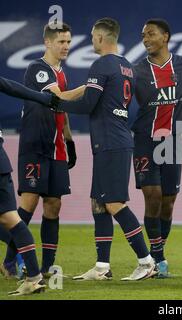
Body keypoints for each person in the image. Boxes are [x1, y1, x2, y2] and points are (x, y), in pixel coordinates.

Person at [51, 18, 157, 281]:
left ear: (100, 37)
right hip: (113, 140)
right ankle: (101, 267)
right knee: (99, 204)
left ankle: (146, 261)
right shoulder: (126, 67)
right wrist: (64, 97)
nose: (90, 40)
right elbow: (94, 94)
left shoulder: (100, 64)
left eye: (91, 36)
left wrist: (56, 104)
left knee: (113, 203)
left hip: (111, 142)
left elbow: (89, 103)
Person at [3, 22, 84, 278]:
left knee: (53, 205)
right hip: (35, 146)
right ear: (47, 42)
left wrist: (69, 142)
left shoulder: (62, 72)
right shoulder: (38, 69)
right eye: (61, 42)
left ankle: (48, 267)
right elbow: (58, 98)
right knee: (28, 202)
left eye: (69, 42)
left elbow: (62, 111)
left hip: (56, 148)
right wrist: (91, 87)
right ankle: (9, 262)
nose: (66, 47)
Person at [131, 19, 182, 277]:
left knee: (167, 202)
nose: (145, 39)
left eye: (151, 34)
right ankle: (158, 259)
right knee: (152, 197)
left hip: (173, 142)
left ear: (165, 36)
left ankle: (156, 255)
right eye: (143, 35)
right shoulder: (136, 71)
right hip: (145, 140)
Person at [0, 75, 58, 295]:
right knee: (11, 219)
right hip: (1, 161)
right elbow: (12, 86)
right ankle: (33, 277)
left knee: (11, 219)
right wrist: (42, 98)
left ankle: (26, 270)